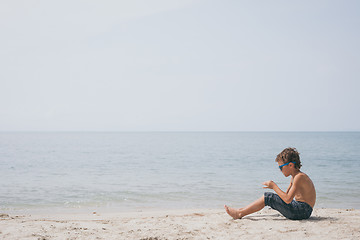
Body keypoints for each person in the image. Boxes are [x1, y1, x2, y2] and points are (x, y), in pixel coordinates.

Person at [225, 147, 316, 220]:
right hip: (302, 210)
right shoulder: (294, 176)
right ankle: (242, 210)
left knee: (268, 197)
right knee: (270, 197)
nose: (280, 171)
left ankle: (239, 213)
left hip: (302, 211)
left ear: (290, 165)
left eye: (281, 168)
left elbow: (287, 199)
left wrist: (273, 186)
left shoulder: (299, 177)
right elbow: (286, 197)